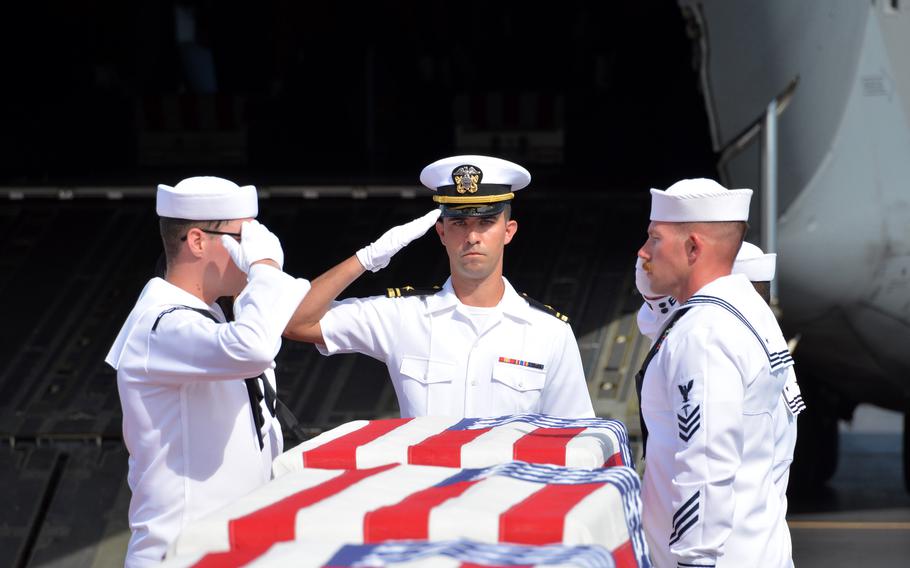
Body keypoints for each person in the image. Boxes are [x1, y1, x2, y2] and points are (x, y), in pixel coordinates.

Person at [284, 155, 594, 418]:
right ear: (441, 233)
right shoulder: (404, 316)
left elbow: (575, 437)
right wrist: (367, 258)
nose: (472, 237)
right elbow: (296, 321)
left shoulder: (549, 332)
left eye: (486, 223)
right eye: (459, 223)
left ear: (508, 231)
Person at [105, 176, 311, 567]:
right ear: (198, 242)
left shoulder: (210, 320)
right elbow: (252, 348)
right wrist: (266, 269)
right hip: (180, 556)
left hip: (231, 549)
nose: (252, 250)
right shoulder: (160, 324)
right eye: (242, 237)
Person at [636, 178, 794, 567]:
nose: (643, 252)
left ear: (693, 247)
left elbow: (705, 465)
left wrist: (694, 561)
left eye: (655, 238)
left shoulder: (704, 335)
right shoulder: (744, 310)